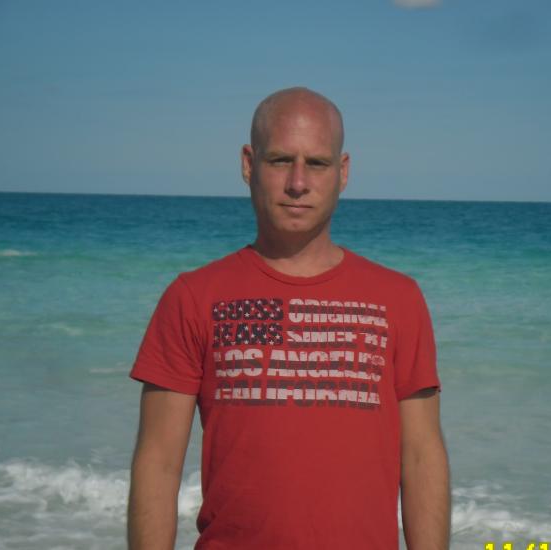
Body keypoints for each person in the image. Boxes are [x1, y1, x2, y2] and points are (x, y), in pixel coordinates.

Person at [127, 86, 451, 550]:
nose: (298, 183)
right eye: (280, 160)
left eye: (316, 163)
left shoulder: (398, 299)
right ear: (248, 164)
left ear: (342, 172)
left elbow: (422, 457)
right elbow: (157, 463)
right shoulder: (193, 297)